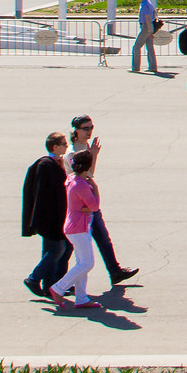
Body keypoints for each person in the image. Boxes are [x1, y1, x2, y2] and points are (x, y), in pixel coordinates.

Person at [68, 115, 138, 286]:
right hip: (80, 202)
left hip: (88, 197)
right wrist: (92, 155)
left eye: (91, 127)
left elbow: (89, 173)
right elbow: (82, 175)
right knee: (70, 246)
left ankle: (114, 271)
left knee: (102, 237)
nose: (89, 131)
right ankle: (57, 280)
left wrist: (93, 154)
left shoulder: (85, 146)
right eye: (85, 128)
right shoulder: (72, 152)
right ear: (76, 130)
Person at [47, 151, 104, 309]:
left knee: (81, 263)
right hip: (78, 228)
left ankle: (81, 298)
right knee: (87, 263)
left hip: (75, 226)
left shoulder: (73, 178)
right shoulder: (82, 184)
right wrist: (96, 189)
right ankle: (58, 288)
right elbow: (94, 206)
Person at [21, 132, 71, 297]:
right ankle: (34, 278)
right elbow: (43, 194)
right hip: (50, 217)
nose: (66, 146)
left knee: (50, 250)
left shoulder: (57, 163)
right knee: (58, 249)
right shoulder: (45, 165)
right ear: (54, 147)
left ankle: (50, 285)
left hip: (56, 216)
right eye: (63, 144)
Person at [130, 0, 159, 74]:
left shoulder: (145, 4)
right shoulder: (148, 3)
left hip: (146, 27)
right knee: (150, 47)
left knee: (136, 47)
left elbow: (148, 18)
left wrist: (150, 31)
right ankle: (153, 66)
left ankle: (135, 67)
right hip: (149, 27)